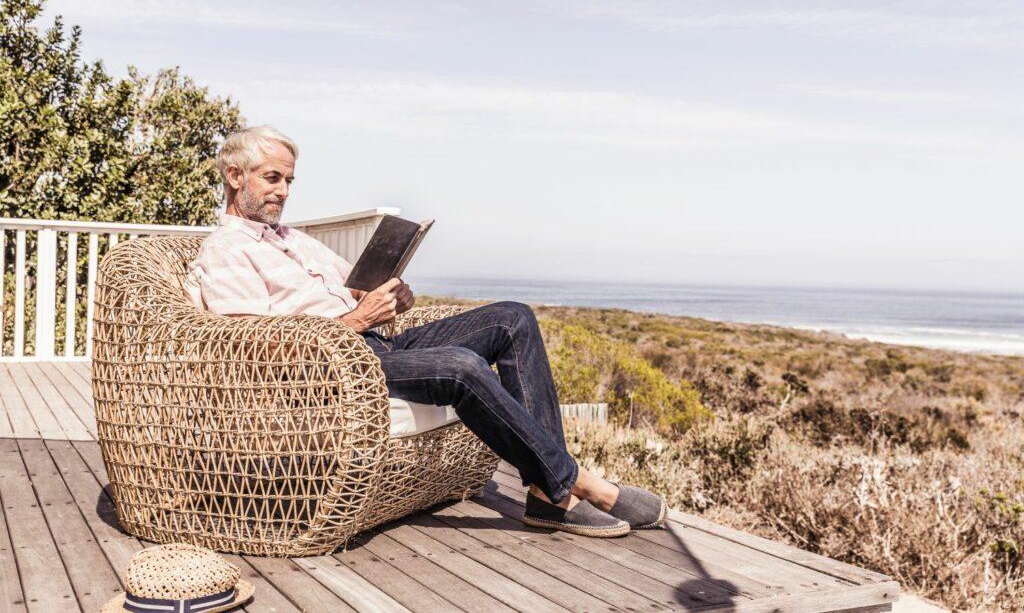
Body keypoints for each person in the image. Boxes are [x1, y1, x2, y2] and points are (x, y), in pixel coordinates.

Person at [184, 125, 666, 537]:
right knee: (460, 366)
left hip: (375, 342)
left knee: (512, 317)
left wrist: (386, 297)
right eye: (272, 178)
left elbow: (354, 289)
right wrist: (354, 321)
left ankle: (545, 492)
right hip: (330, 364)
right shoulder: (226, 251)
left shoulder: (295, 241)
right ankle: (579, 484)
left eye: (289, 180)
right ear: (234, 176)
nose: (284, 191)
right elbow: (249, 347)